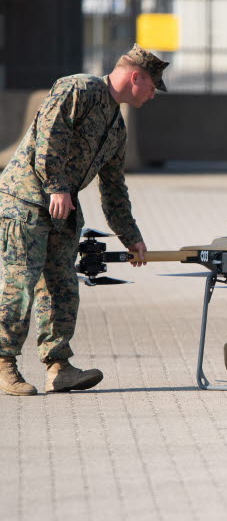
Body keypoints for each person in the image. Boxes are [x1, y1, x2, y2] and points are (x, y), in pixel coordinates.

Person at [0, 44, 167, 396]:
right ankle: (4, 362)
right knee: (21, 285)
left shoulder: (116, 128)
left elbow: (114, 188)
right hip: (27, 201)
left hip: (63, 210)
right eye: (152, 86)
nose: (153, 95)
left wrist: (130, 235)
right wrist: (57, 186)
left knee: (62, 287)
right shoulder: (80, 89)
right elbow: (49, 135)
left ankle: (58, 366)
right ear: (135, 76)